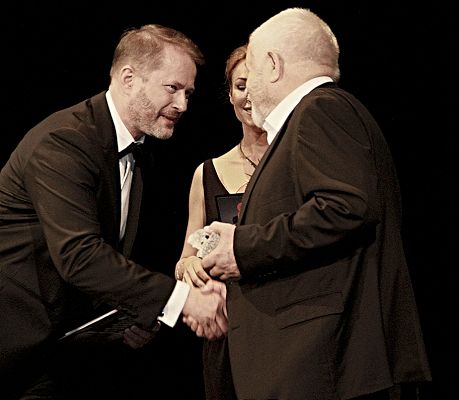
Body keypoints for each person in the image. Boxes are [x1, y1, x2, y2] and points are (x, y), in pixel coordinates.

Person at [186, 7, 433, 400]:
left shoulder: (320, 109)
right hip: (325, 366)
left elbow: (344, 208)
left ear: (272, 65)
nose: (249, 90)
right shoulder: (316, 116)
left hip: (329, 366)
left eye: (253, 70)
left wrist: (241, 248)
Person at [0, 24, 227, 399]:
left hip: (53, 355)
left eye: (188, 93)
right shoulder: (63, 141)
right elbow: (78, 255)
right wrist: (179, 300)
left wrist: (130, 315)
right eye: (172, 88)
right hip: (11, 350)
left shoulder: (136, 152)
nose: (183, 105)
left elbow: (99, 258)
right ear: (128, 78)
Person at [175, 44, 268, 400]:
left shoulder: (295, 165)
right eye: (240, 86)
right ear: (229, 94)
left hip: (282, 327)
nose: (249, 96)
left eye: (257, 85)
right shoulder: (207, 173)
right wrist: (191, 269)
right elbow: (185, 259)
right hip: (227, 334)